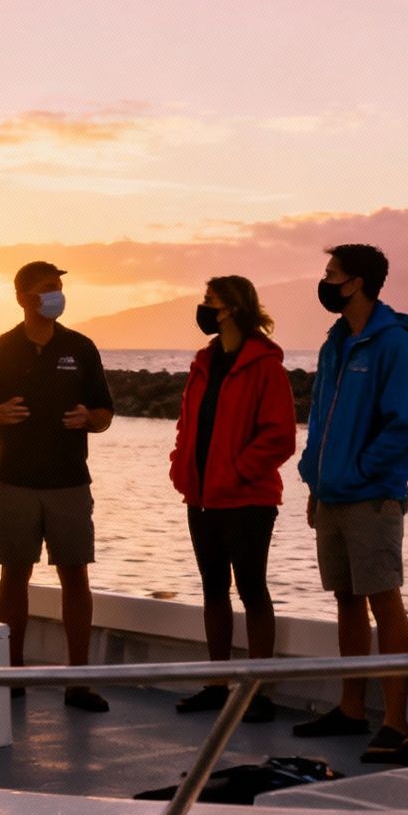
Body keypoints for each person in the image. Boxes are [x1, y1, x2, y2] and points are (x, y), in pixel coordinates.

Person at [292, 243, 408, 764]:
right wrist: (316, 483)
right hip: (331, 496)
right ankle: (351, 709)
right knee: (346, 599)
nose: (324, 282)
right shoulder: (335, 344)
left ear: (357, 282)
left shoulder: (394, 345)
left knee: (383, 598)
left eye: (331, 274)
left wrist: (363, 473)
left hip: (372, 497)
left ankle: (395, 723)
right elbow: (321, 420)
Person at [0, 261, 116, 712]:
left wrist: (90, 419)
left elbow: (106, 413)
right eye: (48, 288)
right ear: (23, 297)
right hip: (15, 481)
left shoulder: (81, 348)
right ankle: (13, 676)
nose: (56, 294)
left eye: (59, 287)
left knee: (75, 574)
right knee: (15, 574)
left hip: (69, 481)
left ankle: (79, 681)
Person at [168, 276, 297, 723]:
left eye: (210, 301)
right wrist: (180, 467)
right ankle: (216, 683)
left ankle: (256, 691)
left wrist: (237, 472)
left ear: (232, 308)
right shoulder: (204, 363)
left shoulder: (265, 366)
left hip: (248, 500)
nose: (203, 308)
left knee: (252, 589)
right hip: (201, 497)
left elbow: (279, 436)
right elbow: (189, 424)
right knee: (212, 589)